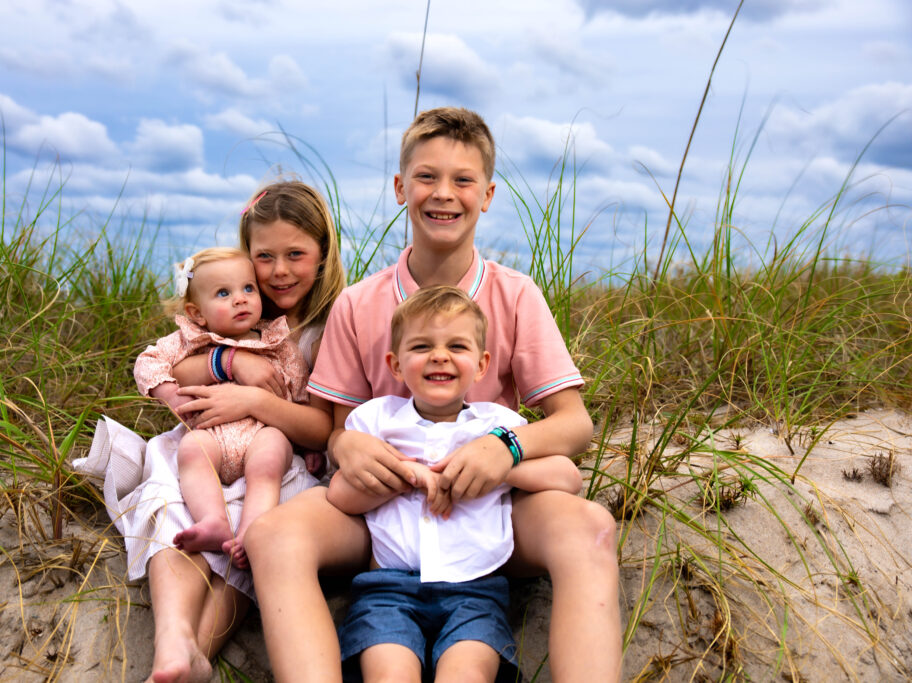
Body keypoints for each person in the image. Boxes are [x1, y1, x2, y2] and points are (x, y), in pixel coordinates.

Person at [245, 108, 622, 682]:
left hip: (487, 508)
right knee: (274, 536)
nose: (444, 194)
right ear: (401, 187)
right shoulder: (361, 303)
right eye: (426, 177)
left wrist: (505, 449)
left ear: (488, 194)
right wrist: (349, 450)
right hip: (379, 515)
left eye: (463, 180)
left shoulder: (517, 296)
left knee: (590, 527)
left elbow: (574, 424)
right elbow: (335, 427)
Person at [77, 181, 344, 683]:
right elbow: (176, 365)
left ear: (323, 254)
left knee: (250, 531)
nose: (279, 271)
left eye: (296, 255)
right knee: (177, 511)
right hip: (209, 448)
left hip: (274, 454)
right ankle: (173, 638)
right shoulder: (235, 313)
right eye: (264, 257)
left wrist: (255, 399)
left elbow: (325, 429)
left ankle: (193, 652)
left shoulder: (328, 326)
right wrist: (229, 359)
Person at [327, 286, 583, 682]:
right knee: (389, 674)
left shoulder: (495, 425)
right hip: (388, 589)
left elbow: (568, 476)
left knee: (467, 674)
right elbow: (340, 495)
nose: (440, 355)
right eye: (421, 346)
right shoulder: (376, 420)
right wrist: (407, 476)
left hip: (474, 590)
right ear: (395, 365)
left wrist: (499, 468)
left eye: (457, 346)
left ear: (482, 366)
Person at [135, 246, 309, 569]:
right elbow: (148, 362)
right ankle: (213, 520)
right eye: (223, 293)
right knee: (191, 450)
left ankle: (252, 530)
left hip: (262, 433)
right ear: (197, 313)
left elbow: (299, 391)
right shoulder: (190, 340)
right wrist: (171, 394)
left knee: (269, 462)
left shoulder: (278, 343)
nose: (240, 299)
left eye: (247, 288)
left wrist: (308, 448)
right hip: (210, 432)